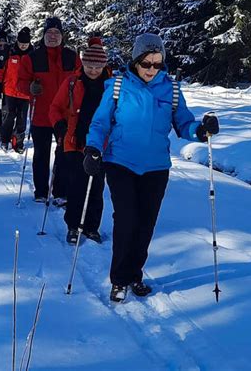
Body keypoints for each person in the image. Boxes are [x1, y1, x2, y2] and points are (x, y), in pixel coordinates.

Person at [84, 33, 220, 303]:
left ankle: (135, 274)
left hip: (156, 167)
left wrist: (201, 131)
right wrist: (93, 148)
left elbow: (184, 124)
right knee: (126, 219)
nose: (151, 70)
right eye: (147, 63)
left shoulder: (171, 89)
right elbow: (100, 124)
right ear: (136, 61)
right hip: (121, 162)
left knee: (146, 223)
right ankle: (119, 279)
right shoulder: (117, 86)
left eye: (157, 64)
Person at [49, 38, 111, 244]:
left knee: (97, 187)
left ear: (104, 65)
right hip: (75, 142)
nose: (93, 70)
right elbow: (55, 107)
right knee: (76, 186)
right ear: (83, 64)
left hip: (101, 144)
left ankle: (92, 227)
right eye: (89, 66)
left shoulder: (112, 86)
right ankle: (73, 226)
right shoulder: (72, 82)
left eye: (98, 67)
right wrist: (60, 127)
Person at [18, 16, 81, 204]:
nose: (53, 36)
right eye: (49, 33)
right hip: (41, 114)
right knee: (41, 154)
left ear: (62, 36)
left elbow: (81, 81)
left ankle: (60, 191)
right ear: (44, 35)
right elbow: (20, 83)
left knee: (63, 154)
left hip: (64, 116)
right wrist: (30, 88)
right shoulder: (32, 57)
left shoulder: (72, 57)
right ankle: (41, 191)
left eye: (56, 33)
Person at [0, 27, 33, 153]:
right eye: (21, 43)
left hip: (25, 94)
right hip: (9, 91)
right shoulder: (9, 52)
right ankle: (5, 140)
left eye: (25, 44)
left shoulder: (33, 55)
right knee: (8, 117)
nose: (23, 46)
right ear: (17, 42)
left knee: (22, 120)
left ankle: (18, 142)